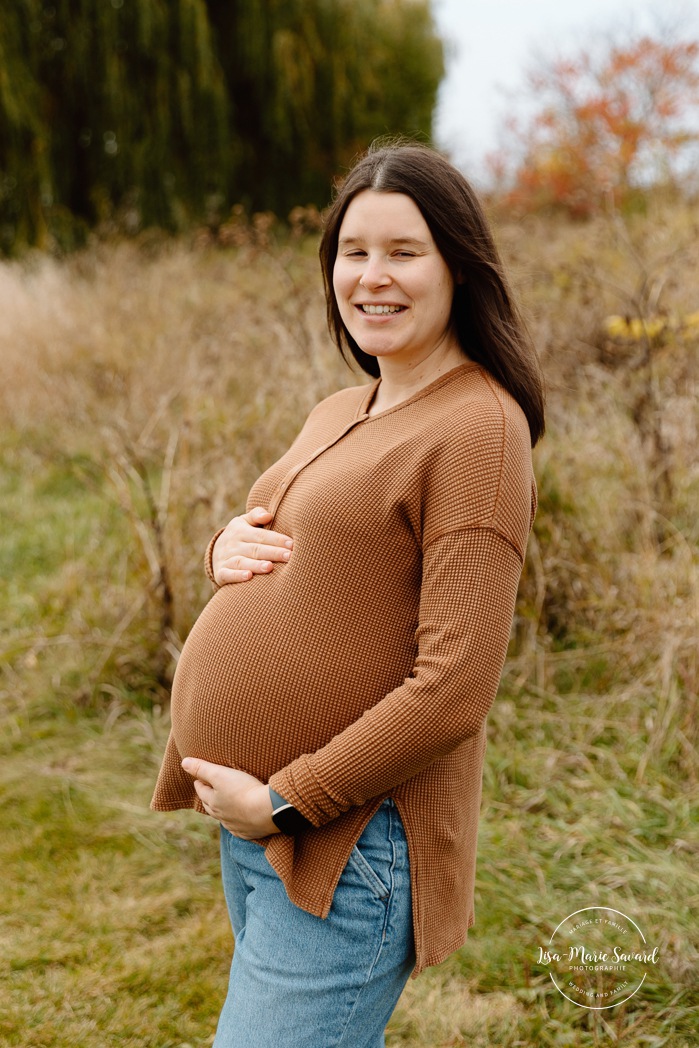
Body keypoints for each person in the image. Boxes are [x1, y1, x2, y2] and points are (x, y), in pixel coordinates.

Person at [151, 140, 545, 1048]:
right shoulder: (344, 407)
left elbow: (453, 688)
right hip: (256, 827)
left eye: (404, 252)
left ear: (459, 265)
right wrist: (221, 546)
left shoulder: (478, 430)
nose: (372, 276)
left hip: (350, 839)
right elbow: (276, 525)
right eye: (352, 251)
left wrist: (287, 801)